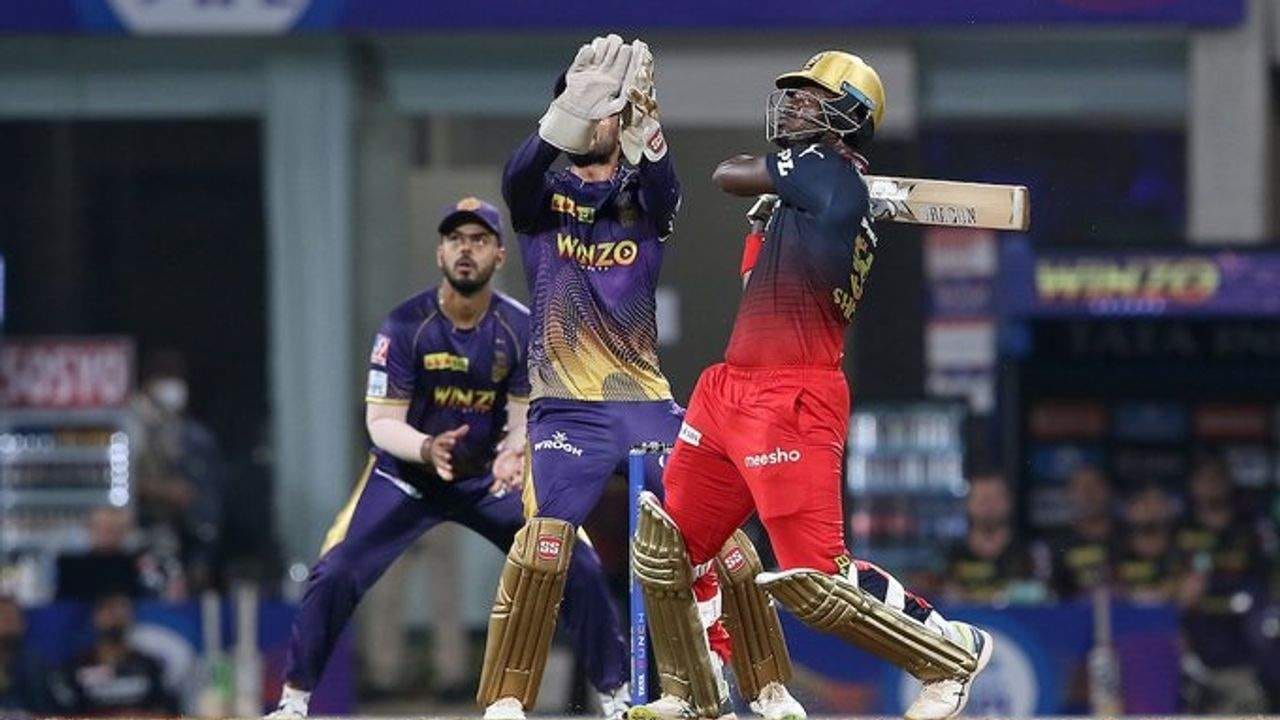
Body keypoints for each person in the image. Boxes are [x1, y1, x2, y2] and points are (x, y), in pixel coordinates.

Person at [628, 51, 992, 720]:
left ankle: (951, 652)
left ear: (850, 116)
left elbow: (727, 172)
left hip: (791, 397)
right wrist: (764, 225)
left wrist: (765, 182)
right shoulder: (812, 200)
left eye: (811, 97)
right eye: (793, 96)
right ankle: (700, 683)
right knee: (670, 551)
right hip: (729, 388)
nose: (793, 106)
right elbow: (755, 289)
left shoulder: (829, 172)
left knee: (817, 579)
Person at [480, 34, 803, 720]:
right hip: (566, 406)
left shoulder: (644, 197)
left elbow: (665, 188)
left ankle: (767, 687)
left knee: (726, 539)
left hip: (644, 402)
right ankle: (507, 699)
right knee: (545, 546)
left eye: (606, 106)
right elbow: (516, 176)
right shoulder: (541, 199)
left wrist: (645, 123)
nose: (595, 115)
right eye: (582, 104)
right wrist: (567, 112)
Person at [269, 197, 629, 718]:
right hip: (408, 475)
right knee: (336, 568)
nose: (466, 250)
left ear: (499, 256)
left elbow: (525, 414)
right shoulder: (403, 326)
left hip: (487, 478)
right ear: (440, 252)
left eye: (479, 240)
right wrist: (425, 447)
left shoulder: (520, 327)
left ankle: (617, 696)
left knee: (578, 562)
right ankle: (294, 701)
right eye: (456, 239)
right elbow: (381, 422)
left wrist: (513, 452)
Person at [1175, 454, 1271, 713]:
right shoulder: (1182, 525)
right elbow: (1167, 581)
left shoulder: (1251, 523)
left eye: (1216, 478)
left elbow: (1267, 576)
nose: (1210, 486)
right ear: (1193, 484)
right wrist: (1179, 595)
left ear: (1228, 482)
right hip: (1195, 639)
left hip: (1245, 640)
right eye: (1203, 479)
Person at [48, 594, 177, 717]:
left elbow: (165, 710)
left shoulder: (150, 666)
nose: (116, 615)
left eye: (123, 608)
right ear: (96, 617)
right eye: (109, 608)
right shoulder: (74, 669)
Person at [943, 473, 1038, 604]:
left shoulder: (1027, 551)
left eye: (995, 499)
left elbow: (1041, 596)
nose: (988, 507)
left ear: (1009, 502)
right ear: (968, 504)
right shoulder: (952, 553)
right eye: (982, 499)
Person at [1047, 465, 1115, 600]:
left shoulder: (1128, 538)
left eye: (1095, 486)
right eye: (1080, 488)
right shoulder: (1057, 544)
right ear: (1068, 494)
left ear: (1107, 490)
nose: (1089, 494)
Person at [1112, 484, 1179, 603]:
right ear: (1130, 510)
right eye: (1144, 503)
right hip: (1128, 611)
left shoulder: (1182, 544)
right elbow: (1108, 585)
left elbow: (1202, 562)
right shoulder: (1115, 548)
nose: (1150, 510)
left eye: (1157, 503)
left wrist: (1199, 573)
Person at [0, 596, 51, 716]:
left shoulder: (35, 663)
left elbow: (43, 709)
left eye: (14, 617)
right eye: (3, 616)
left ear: (24, 625)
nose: (9, 621)